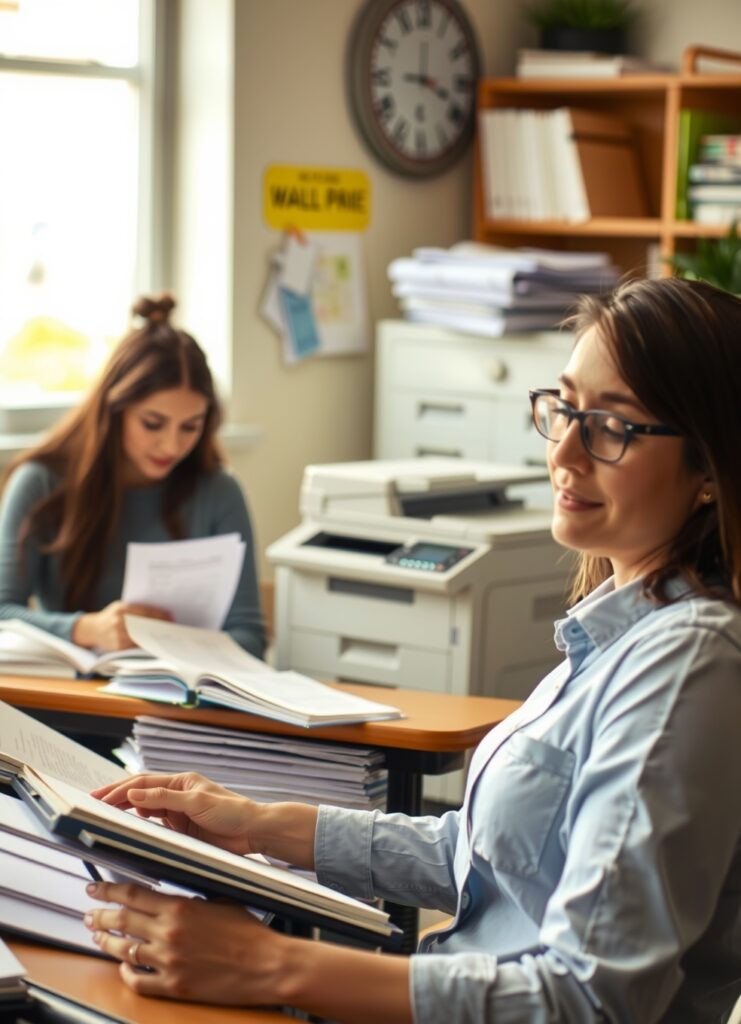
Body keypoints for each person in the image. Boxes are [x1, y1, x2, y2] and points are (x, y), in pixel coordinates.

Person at [83, 277, 741, 1022]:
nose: (562, 452)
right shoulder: (617, 633)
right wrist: (255, 821)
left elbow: (591, 1001)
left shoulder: (685, 665)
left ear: (710, 471)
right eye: (562, 410)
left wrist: (268, 965)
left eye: (611, 427)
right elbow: (478, 855)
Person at [0, 293, 265, 657]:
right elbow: (3, 613)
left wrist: (171, 643)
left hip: (180, 698)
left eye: (191, 426)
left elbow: (250, 635)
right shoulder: (40, 482)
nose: (171, 445)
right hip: (70, 697)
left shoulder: (219, 491)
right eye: (153, 424)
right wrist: (86, 629)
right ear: (114, 409)